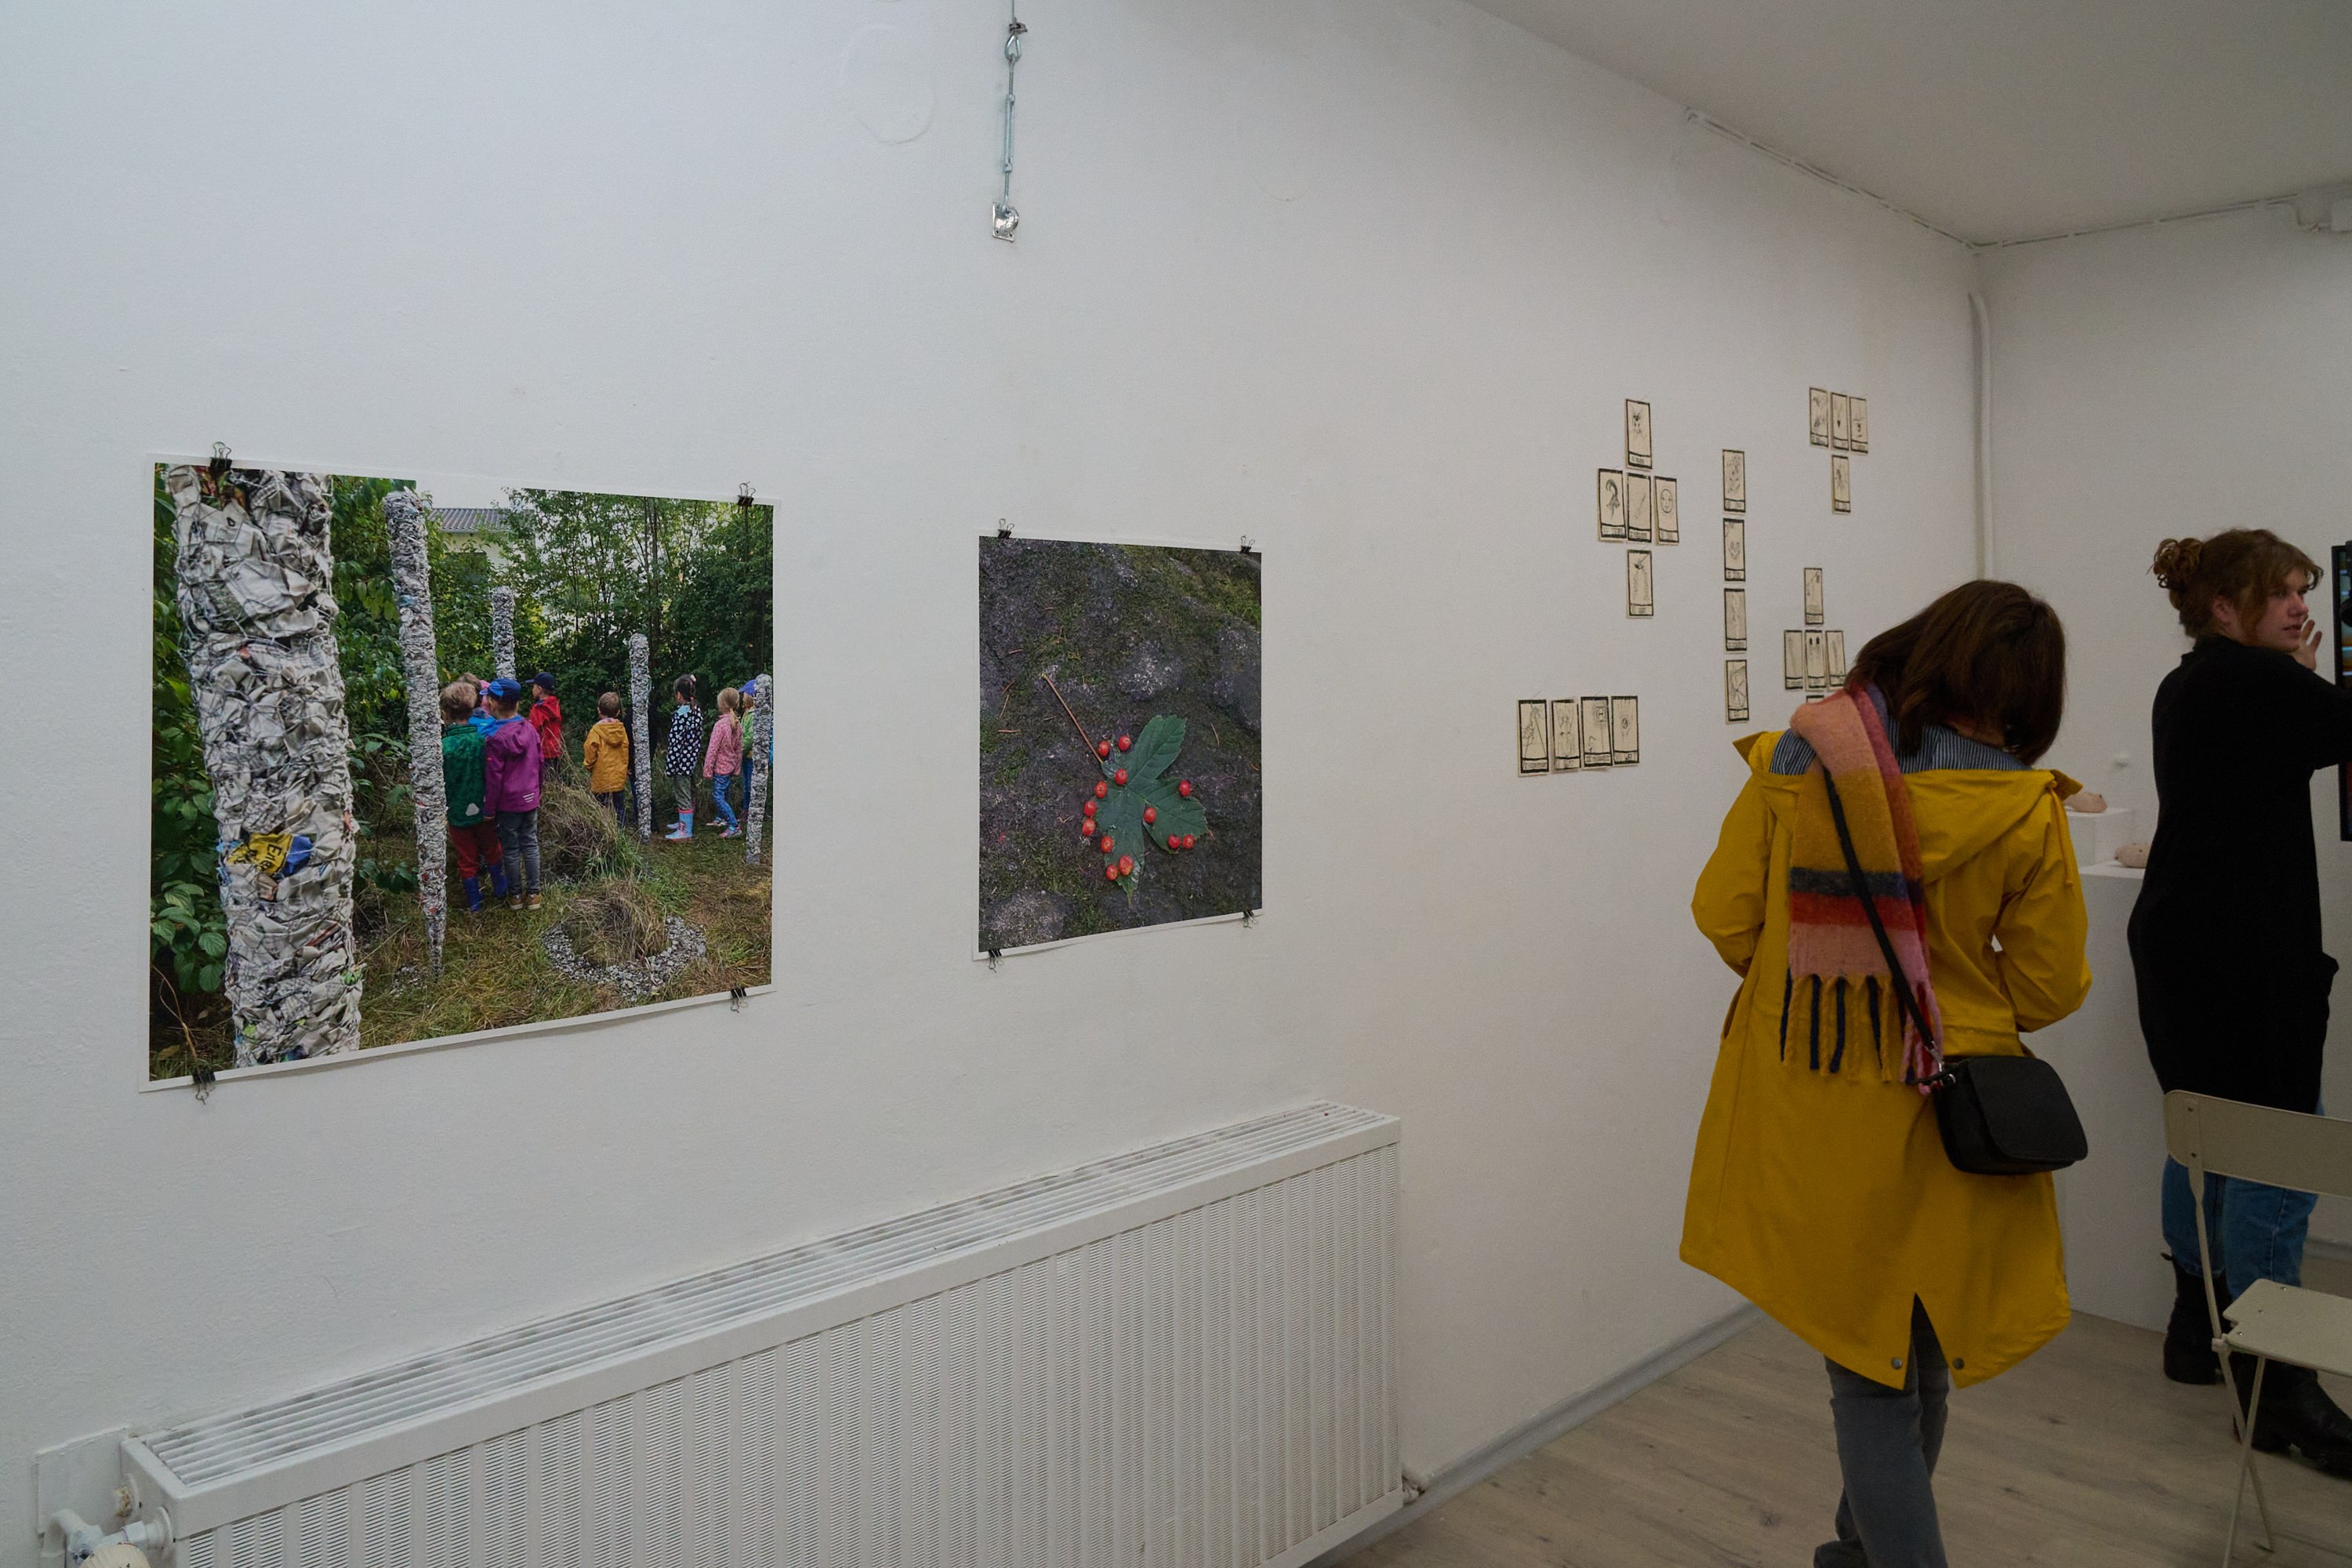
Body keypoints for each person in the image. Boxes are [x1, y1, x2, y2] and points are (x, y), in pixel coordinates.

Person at [1683, 581, 2089, 1568]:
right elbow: (2050, 984)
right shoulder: (2022, 806)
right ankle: (1862, 1550)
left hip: (1815, 1101)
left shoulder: (1800, 762)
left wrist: (1820, 986)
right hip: (1949, 1100)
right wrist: (1954, 999)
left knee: (1868, 1373)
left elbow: (1724, 914)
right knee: (1920, 1347)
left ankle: (1869, 1552)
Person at [2130, 530, 2352, 1475]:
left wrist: (2297, 678)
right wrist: (2302, 678)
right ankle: (2274, 1386)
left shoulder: (2187, 683)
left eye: (2305, 590)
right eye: (2282, 592)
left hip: (2183, 950)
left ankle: (2196, 1327)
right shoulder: (2257, 682)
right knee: (2275, 1149)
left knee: (2203, 1135)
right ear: (2224, 605)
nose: (2302, 606)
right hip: (2247, 960)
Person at [437, 683, 506, 915]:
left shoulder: (442, 748)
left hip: (457, 811)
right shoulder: (482, 741)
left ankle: (475, 903)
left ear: (445, 713)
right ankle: (501, 889)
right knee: (492, 848)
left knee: (466, 857)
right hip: (484, 808)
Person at [481, 677, 543, 909]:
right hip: (530, 798)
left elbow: (494, 779)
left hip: (508, 804)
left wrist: (489, 808)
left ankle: (515, 895)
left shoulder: (495, 738)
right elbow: (540, 763)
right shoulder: (530, 729)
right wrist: (538, 791)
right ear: (517, 703)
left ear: (493, 703)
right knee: (531, 844)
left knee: (511, 849)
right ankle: (534, 895)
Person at [662, 675, 706, 841]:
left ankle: (685, 830)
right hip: (690, 761)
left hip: (681, 763)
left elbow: (675, 744)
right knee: (689, 792)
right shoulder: (696, 711)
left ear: (679, 695)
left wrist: (670, 767)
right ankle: (684, 822)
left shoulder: (681, 716)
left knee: (683, 795)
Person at [582, 691, 630, 830]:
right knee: (619, 809)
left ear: (599, 710)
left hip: (601, 779)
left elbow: (590, 755)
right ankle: (621, 834)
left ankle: (604, 833)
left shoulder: (595, 732)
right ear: (618, 712)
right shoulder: (622, 730)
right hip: (618, 779)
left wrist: (588, 766)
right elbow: (625, 753)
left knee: (601, 809)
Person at [703, 687, 744, 838]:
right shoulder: (737, 724)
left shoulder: (720, 725)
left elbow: (712, 749)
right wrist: (737, 768)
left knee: (718, 797)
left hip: (720, 768)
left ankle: (734, 825)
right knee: (725, 794)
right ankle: (721, 818)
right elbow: (739, 749)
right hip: (730, 766)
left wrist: (707, 769)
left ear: (722, 704)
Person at [528, 672, 564, 767]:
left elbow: (532, 731)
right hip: (555, 750)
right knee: (554, 775)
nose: (532, 690)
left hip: (541, 752)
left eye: (534, 687)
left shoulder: (538, 709)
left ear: (539, 689)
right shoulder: (554, 704)